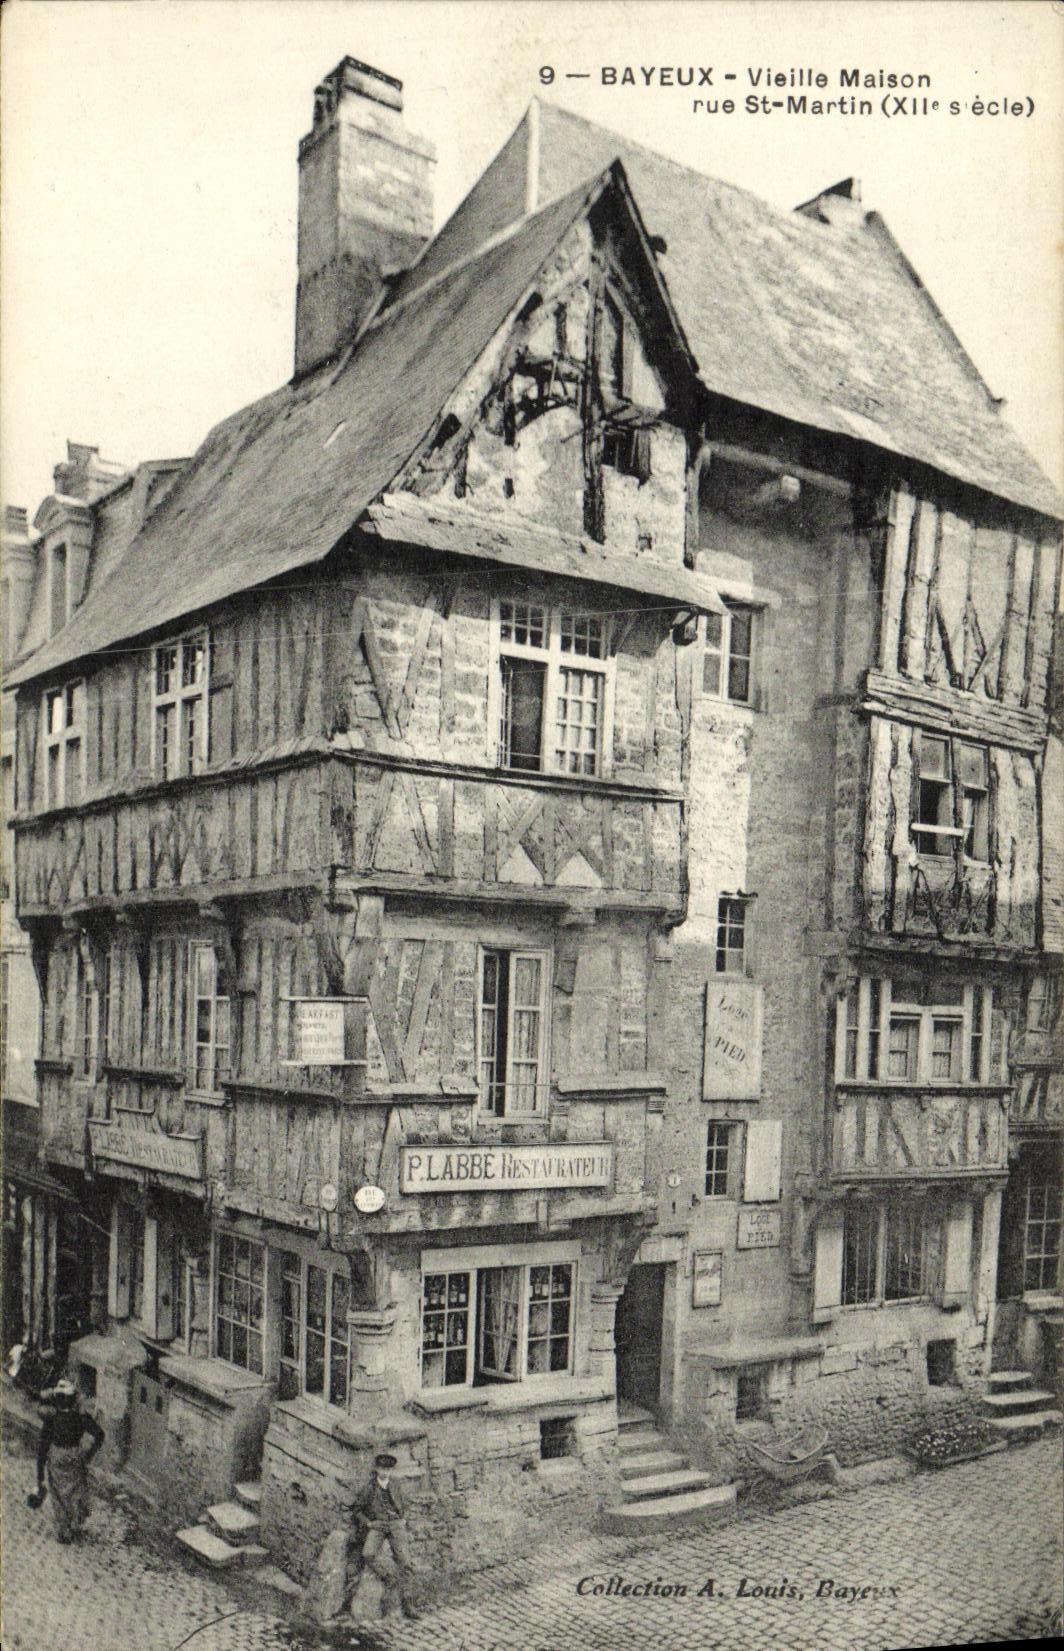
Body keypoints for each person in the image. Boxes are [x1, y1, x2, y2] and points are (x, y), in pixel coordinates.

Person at [28, 1378, 105, 1542]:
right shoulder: (80, 1418)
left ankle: (64, 1530)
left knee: (58, 1492)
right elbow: (99, 1434)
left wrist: (40, 1476)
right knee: (76, 1490)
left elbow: (42, 1447)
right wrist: (89, 1454)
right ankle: (76, 1523)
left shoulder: (52, 1419)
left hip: (57, 1455)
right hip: (76, 1455)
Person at [351, 1451, 421, 1619]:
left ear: (391, 1471)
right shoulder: (370, 1487)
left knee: (406, 1562)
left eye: (388, 1470)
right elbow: (357, 1510)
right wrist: (369, 1523)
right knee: (368, 1553)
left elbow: (405, 1504)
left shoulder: (395, 1485)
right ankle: (389, 1578)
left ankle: (408, 1602)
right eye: (382, 1469)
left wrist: (404, 1519)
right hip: (379, 1525)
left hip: (396, 1524)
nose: (385, 1472)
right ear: (377, 1469)